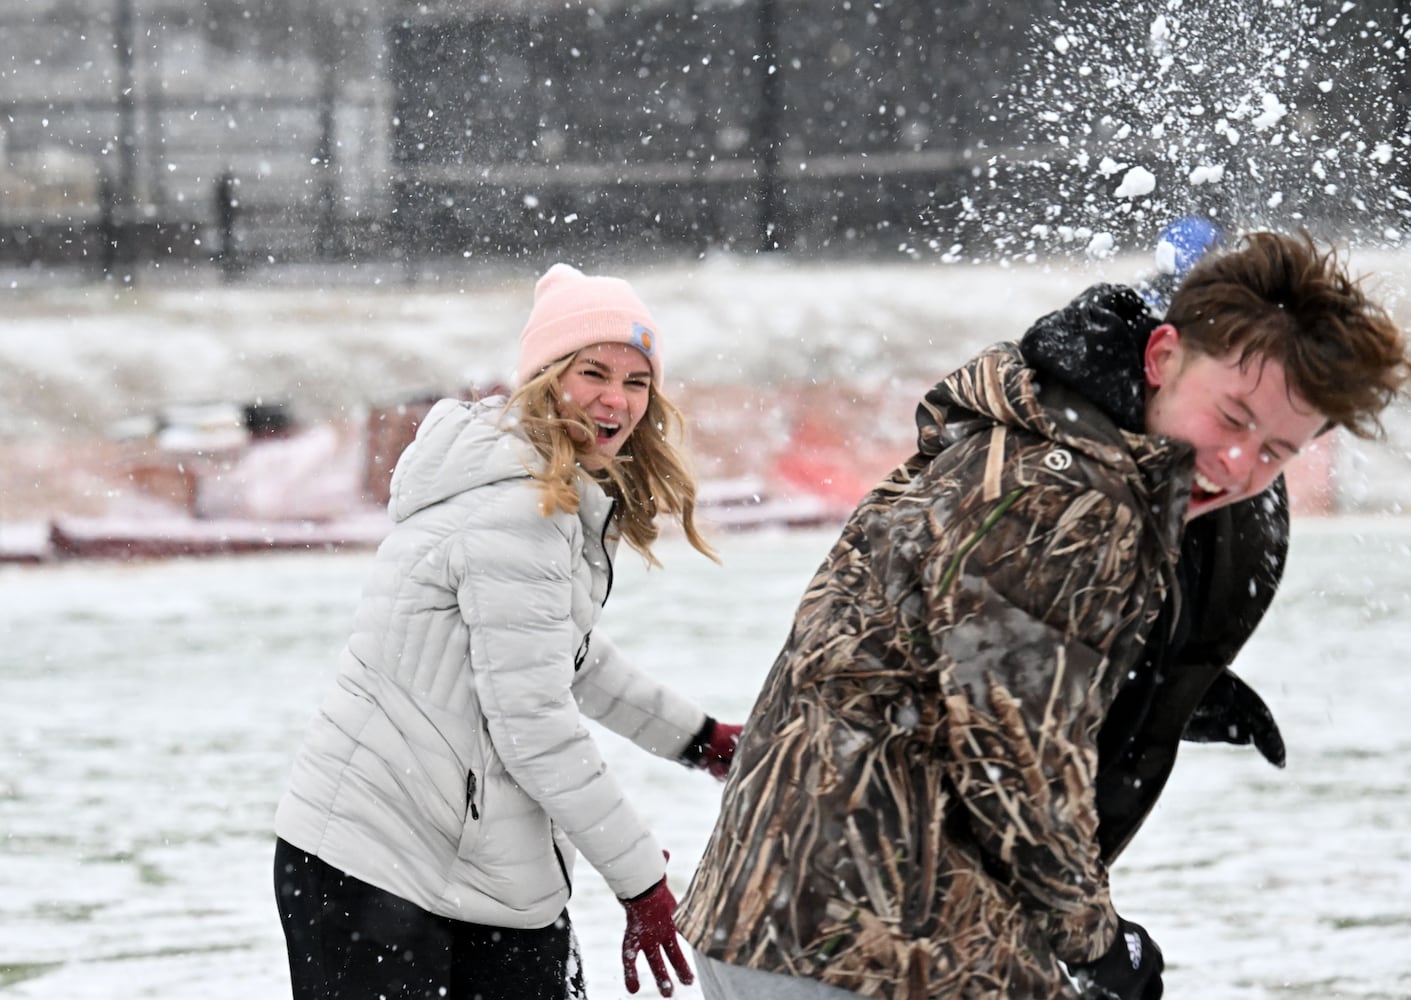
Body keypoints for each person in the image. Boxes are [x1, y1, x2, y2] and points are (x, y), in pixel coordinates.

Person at [675, 230, 1409, 999]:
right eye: (1230, 418)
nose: (1237, 465)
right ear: (1161, 357)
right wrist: (1097, 943)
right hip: (867, 942)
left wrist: (1142, 677)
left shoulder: (1038, 440)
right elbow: (1010, 757)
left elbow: (950, 646)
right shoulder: (1070, 496)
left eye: (1275, 453)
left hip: (794, 911)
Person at [274, 262, 742, 1000]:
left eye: (636, 381)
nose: (615, 400)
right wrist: (641, 883)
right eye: (593, 372)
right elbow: (533, 722)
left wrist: (701, 738)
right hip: (373, 860)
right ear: (545, 377)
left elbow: (565, 659)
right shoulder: (513, 514)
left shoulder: (550, 498)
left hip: (479, 859)